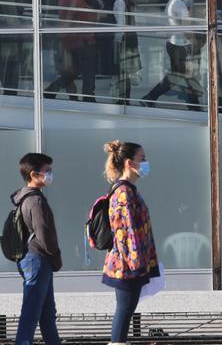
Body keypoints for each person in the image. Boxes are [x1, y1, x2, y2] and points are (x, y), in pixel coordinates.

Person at [102, 141, 160, 345]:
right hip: (127, 264)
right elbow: (126, 232)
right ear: (129, 163)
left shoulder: (127, 190)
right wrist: (137, 264)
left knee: (126, 309)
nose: (145, 163)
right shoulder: (124, 192)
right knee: (125, 309)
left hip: (129, 262)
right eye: (142, 159)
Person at [12, 153, 62, 345]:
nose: (50, 174)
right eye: (47, 171)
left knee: (47, 313)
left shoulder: (25, 197)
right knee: (31, 313)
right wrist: (56, 257)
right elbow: (44, 235)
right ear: (34, 174)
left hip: (34, 259)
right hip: (38, 260)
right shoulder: (35, 201)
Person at [141, 0, 201, 107]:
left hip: (174, 43)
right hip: (181, 44)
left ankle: (193, 103)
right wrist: (193, 40)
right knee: (186, 74)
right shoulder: (179, 3)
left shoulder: (171, 2)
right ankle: (193, 104)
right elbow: (186, 25)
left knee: (180, 75)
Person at [45, 0, 98, 102]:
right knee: (88, 72)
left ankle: (52, 90)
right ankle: (88, 98)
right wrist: (94, 15)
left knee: (74, 71)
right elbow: (79, 15)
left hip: (73, 40)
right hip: (82, 40)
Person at [104, 0, 141, 104]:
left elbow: (120, 23)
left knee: (120, 71)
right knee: (126, 72)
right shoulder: (128, 0)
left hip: (123, 41)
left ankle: (122, 100)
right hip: (131, 39)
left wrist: (116, 41)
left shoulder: (119, 1)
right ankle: (126, 99)